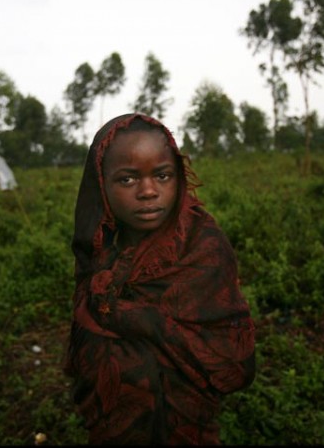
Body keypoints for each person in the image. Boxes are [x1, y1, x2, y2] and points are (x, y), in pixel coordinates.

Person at [64, 113, 256, 445]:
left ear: (178, 178)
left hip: (188, 426)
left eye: (163, 175)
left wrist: (137, 320)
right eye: (127, 180)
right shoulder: (99, 249)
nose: (149, 191)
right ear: (101, 184)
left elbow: (229, 351)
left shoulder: (203, 246)